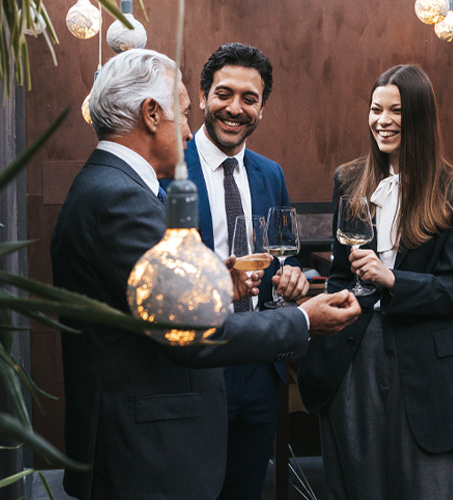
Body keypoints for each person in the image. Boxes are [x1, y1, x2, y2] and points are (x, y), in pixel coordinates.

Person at [49, 49, 361, 500]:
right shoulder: (122, 198)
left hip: (159, 434)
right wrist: (305, 321)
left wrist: (218, 283)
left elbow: (153, 302)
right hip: (145, 451)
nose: (188, 124)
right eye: (184, 109)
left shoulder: (110, 185)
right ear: (152, 114)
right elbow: (189, 333)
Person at [297, 64, 453, 499]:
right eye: (376, 109)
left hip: (424, 359)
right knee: (360, 482)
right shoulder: (349, 179)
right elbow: (340, 275)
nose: (383, 120)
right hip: (354, 353)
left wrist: (393, 278)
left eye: (396, 110)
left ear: (419, 115)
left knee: (429, 484)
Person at [170, 42, 307, 500]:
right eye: (224, 94)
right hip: (197, 365)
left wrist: (293, 280)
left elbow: (285, 261)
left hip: (259, 368)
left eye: (250, 98)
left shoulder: (271, 174)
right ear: (204, 96)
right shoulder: (168, 172)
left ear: (262, 108)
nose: (235, 108)